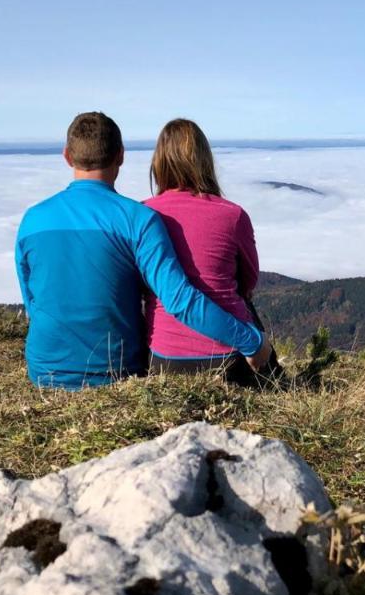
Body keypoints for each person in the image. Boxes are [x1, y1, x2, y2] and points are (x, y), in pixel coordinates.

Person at [15, 111, 272, 389]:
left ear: (67, 156)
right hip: (114, 372)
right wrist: (251, 340)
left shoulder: (31, 220)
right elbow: (178, 299)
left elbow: (32, 302)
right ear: (121, 156)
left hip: (42, 372)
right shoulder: (137, 219)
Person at [143, 118, 274, 385]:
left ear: (158, 163)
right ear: (205, 161)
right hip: (231, 357)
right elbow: (248, 281)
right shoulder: (233, 215)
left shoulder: (141, 214)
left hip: (162, 357)